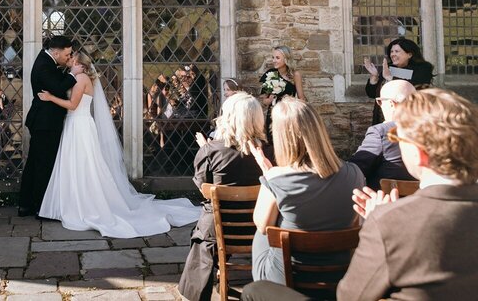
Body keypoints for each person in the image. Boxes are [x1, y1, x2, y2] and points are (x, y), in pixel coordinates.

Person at [242, 89, 478, 300]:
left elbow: (351, 295)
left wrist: (381, 223)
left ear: (419, 154)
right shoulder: (355, 176)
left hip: (296, 276)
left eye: (399, 139)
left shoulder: (393, 223)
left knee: (261, 251)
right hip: (337, 268)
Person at [37, 52, 200, 238]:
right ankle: (74, 201)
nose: (69, 62)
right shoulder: (80, 77)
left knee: (83, 164)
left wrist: (50, 98)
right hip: (78, 125)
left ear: (80, 65)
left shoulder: (80, 78)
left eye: (73, 60)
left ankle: (82, 204)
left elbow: (73, 105)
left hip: (78, 125)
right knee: (78, 164)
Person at [249, 97, 363, 286]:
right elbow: (354, 220)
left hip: (289, 278)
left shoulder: (276, 178)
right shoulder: (354, 173)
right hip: (340, 273)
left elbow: (262, 226)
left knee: (262, 231)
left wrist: (268, 176)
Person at [178, 92, 271, 301]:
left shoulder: (212, 150)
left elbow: (202, 186)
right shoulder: (269, 151)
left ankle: (193, 295)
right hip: (259, 226)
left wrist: (205, 150)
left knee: (203, 236)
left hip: (221, 228)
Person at [17, 35, 81, 218]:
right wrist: (72, 73)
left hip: (44, 121)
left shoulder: (46, 60)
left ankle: (26, 205)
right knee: (44, 165)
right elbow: (58, 88)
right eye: (67, 55)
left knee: (35, 164)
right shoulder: (44, 65)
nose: (68, 58)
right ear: (56, 52)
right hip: (45, 123)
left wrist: (67, 71)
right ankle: (40, 208)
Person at [348, 80, 416, 190]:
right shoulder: (435, 130)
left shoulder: (381, 132)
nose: (380, 106)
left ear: (391, 104)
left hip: (385, 203)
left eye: (380, 102)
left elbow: (355, 170)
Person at [364, 37, 434, 125]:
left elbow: (415, 88)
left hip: (410, 119)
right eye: (391, 52)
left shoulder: (423, 69)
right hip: (383, 119)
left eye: (397, 51)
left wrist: (390, 78)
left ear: (409, 54)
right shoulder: (388, 68)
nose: (393, 54)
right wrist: (374, 77)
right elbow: (372, 94)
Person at [259, 46, 304, 138]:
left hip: (289, 114)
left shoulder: (295, 75)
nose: (274, 60)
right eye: (273, 57)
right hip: (273, 115)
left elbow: (301, 98)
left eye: (277, 58)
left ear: (286, 59)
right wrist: (270, 99)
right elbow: (264, 101)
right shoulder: (270, 75)